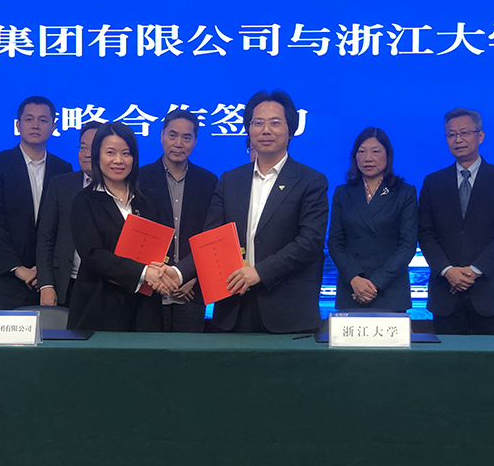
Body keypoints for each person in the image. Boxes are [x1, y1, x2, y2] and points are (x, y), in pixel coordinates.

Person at [172, 90, 328, 334]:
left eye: (275, 123)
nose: (266, 130)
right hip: (234, 307)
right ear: (248, 129)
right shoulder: (230, 180)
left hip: (287, 311)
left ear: (291, 130)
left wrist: (259, 273)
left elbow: (310, 242)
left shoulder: (311, 181)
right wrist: (177, 272)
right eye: (258, 123)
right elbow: (211, 240)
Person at [418, 108, 494, 334]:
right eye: (451, 134)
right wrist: (447, 270)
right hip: (446, 294)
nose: (458, 139)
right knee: (448, 357)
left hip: (491, 293)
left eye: (464, 133)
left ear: (480, 136)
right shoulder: (433, 183)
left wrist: (474, 270)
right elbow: (425, 233)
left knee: (492, 357)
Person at [67, 122, 172, 331]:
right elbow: (93, 255)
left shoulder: (148, 201)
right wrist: (144, 272)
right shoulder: (84, 201)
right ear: (97, 156)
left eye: (126, 153)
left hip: (145, 309)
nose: (118, 160)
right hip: (99, 308)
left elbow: (160, 247)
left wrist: (162, 271)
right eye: (110, 152)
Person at [0, 96, 72, 310]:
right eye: (29, 119)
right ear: (18, 125)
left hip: (47, 281)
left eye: (43, 120)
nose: (36, 125)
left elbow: (63, 227)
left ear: (53, 126)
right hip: (4, 280)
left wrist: (44, 271)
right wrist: (18, 268)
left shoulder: (63, 169)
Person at [140, 109, 219, 332]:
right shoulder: (139, 178)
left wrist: (194, 277)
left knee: (189, 352)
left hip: (190, 291)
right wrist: (156, 278)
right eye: (173, 135)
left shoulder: (209, 181)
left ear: (195, 141)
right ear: (162, 135)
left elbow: (211, 236)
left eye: (187, 137)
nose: (178, 143)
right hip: (150, 289)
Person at [327, 127, 417, 312]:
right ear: (354, 156)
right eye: (362, 152)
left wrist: (375, 283)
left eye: (375, 151)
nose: (368, 158)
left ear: (388, 155)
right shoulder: (343, 193)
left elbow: (407, 245)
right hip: (352, 289)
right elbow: (335, 242)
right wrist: (354, 279)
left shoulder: (405, 192)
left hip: (390, 290)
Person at [36, 121, 100, 308]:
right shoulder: (61, 184)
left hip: (105, 286)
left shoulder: (121, 187)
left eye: (93, 148)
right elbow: (46, 237)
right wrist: (46, 284)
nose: (87, 153)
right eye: (83, 147)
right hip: (66, 283)